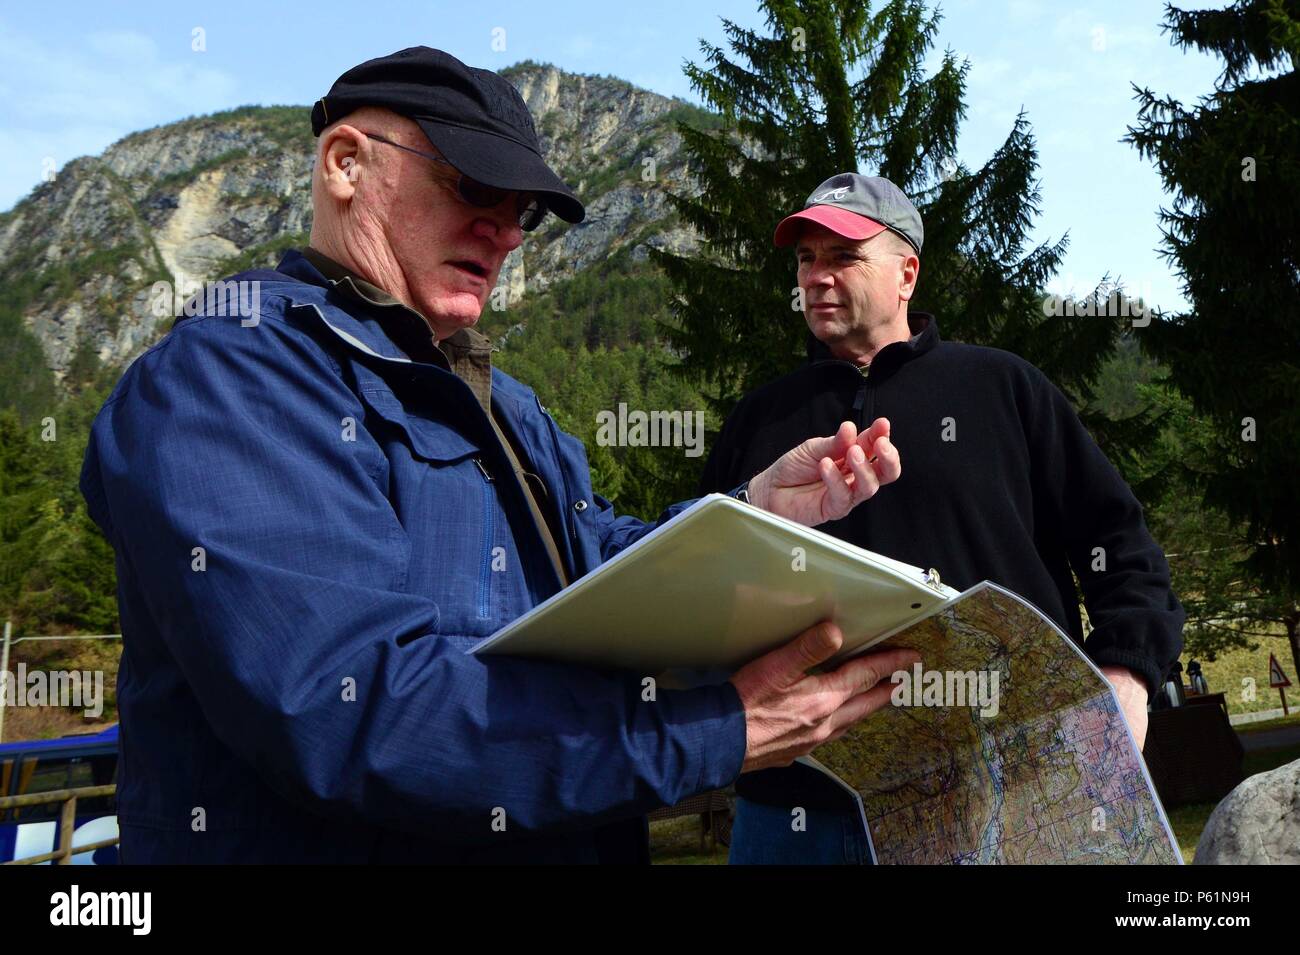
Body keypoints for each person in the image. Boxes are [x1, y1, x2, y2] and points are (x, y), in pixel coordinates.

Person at [78, 49, 913, 864]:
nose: (506, 233)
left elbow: (594, 567)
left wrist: (748, 512)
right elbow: (347, 704)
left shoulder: (505, 402)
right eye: (474, 187)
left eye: (525, 212)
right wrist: (713, 730)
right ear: (344, 163)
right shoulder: (231, 376)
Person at [700, 172, 1186, 864]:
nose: (816, 277)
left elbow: (1122, 544)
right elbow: (703, 581)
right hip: (795, 809)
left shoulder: (1004, 388)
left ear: (907, 274)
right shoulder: (758, 419)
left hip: (1000, 790)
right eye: (806, 259)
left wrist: (1126, 676)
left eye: (842, 256)